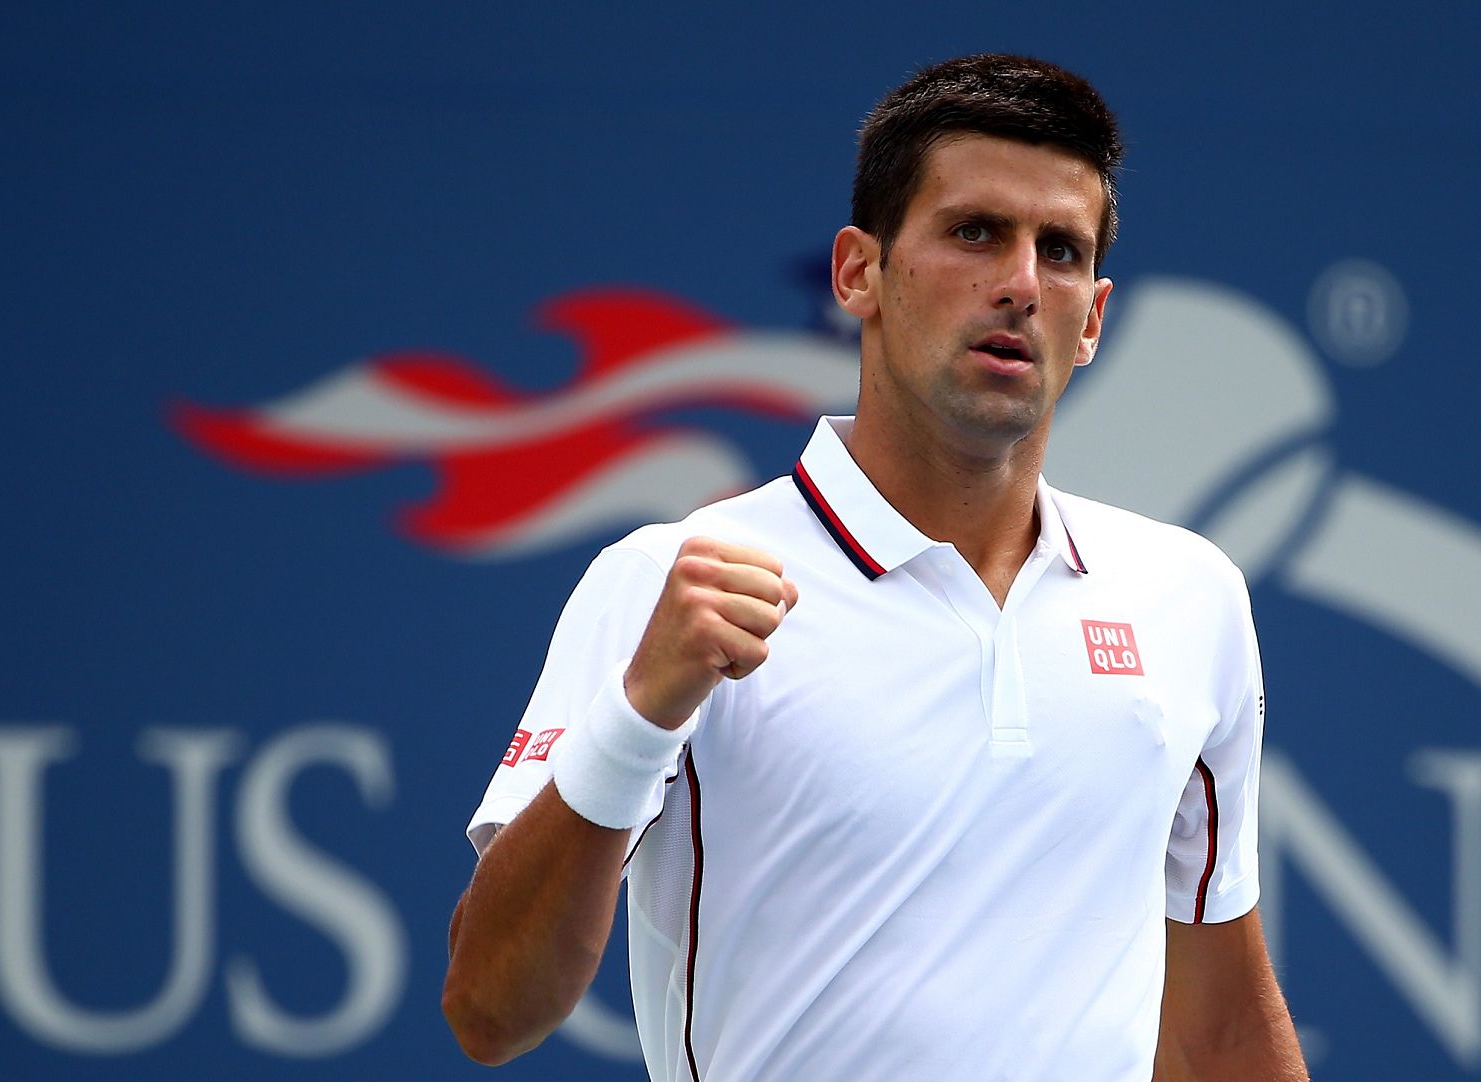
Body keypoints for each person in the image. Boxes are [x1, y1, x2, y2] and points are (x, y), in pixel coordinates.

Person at [443, 54, 1308, 1081]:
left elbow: (1217, 1036)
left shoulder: (1188, 596)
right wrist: (637, 712)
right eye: (975, 231)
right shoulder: (665, 581)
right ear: (858, 272)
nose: (1021, 284)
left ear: (1095, 320)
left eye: (1061, 250)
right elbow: (492, 1008)